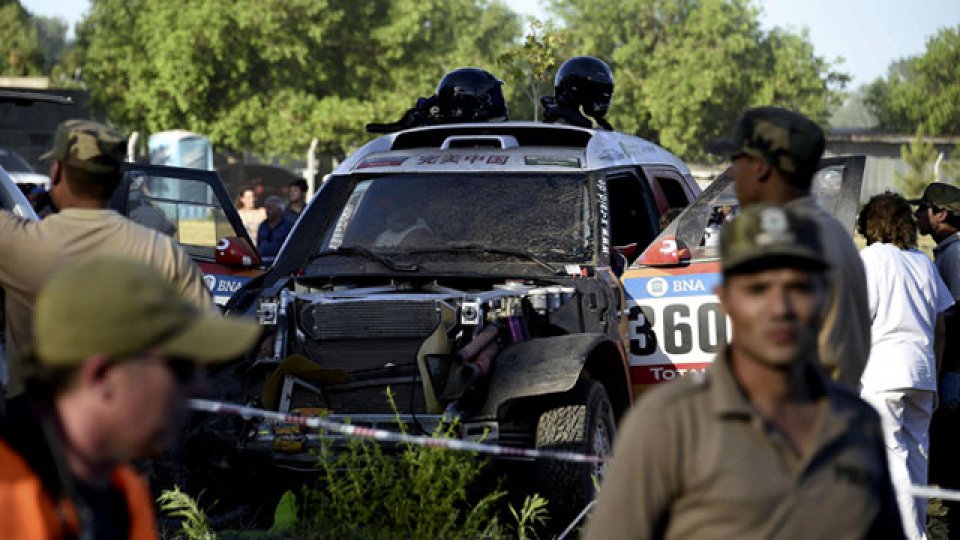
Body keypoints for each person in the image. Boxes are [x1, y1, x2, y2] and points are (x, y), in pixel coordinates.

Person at [584, 204, 904, 540]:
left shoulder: (857, 423)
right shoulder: (666, 423)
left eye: (798, 288)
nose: (780, 308)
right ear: (725, 300)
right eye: (758, 289)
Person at [0, 256, 260, 539]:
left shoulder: (122, 490)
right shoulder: (10, 491)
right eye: (182, 367)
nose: (200, 386)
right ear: (103, 375)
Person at [0, 119, 215, 401]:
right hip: (125, 426)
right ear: (117, 180)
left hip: (35, 427)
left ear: (56, 172)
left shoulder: (16, 243)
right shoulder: (163, 253)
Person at [706, 106, 870, 389]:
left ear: (761, 167)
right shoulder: (830, 231)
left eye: (737, 160)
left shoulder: (787, 240)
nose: (732, 173)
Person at [858, 192, 953, 539]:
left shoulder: (869, 260)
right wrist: (939, 377)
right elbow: (940, 329)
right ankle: (916, 532)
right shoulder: (923, 262)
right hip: (923, 373)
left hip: (883, 373)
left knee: (891, 458)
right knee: (917, 460)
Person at [910, 181, 960, 534]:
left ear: (940, 215)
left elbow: (957, 320)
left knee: (945, 464)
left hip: (953, 370)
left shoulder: (955, 255)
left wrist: (953, 372)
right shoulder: (946, 252)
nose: (917, 215)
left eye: (923, 208)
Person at [257, 195, 295, 262]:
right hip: (263, 262)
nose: (267, 211)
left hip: (280, 262)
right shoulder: (262, 225)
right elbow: (259, 243)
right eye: (266, 208)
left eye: (270, 208)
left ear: (279, 210)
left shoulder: (289, 225)